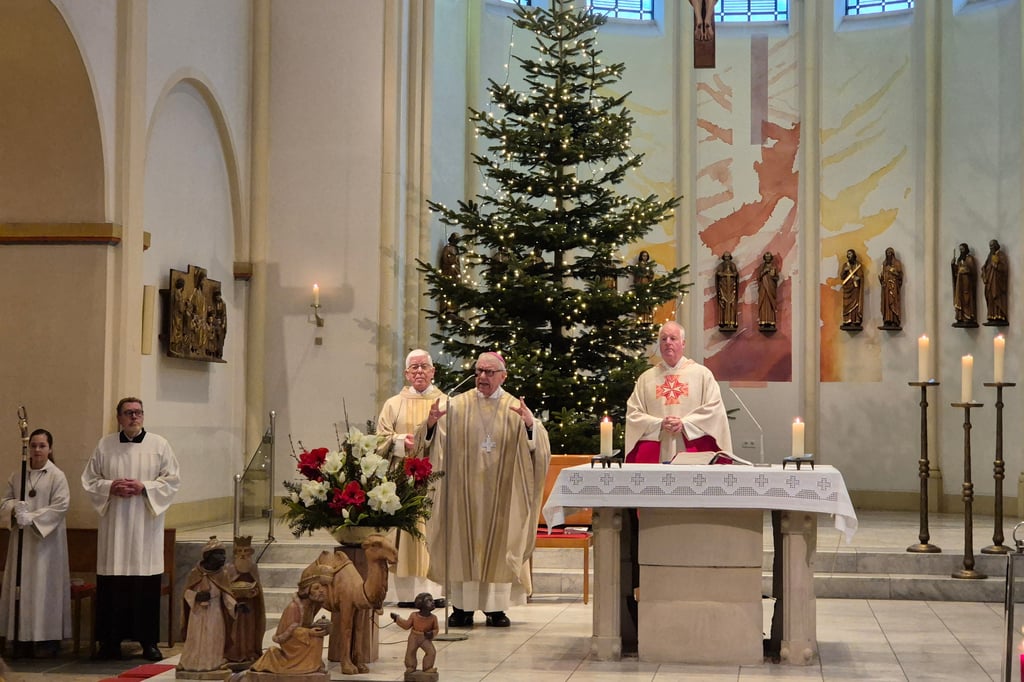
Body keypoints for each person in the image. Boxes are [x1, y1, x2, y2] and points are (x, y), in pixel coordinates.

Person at [416, 351, 551, 628]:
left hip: (501, 494)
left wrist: (528, 425)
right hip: (462, 492)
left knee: (499, 543)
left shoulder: (515, 408)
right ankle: (462, 608)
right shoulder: (456, 405)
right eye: (479, 371)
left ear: (503, 376)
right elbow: (432, 444)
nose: (483, 377)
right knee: (462, 542)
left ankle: (495, 608)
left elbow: (537, 448)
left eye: (490, 372)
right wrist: (430, 424)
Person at [82, 397, 180, 662]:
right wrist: (110, 487)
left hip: (144, 528)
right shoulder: (105, 445)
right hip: (114, 527)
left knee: (144, 584)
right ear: (119, 418)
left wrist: (144, 487)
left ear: (143, 416)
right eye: (128, 413)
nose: (134, 417)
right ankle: (110, 643)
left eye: (138, 412)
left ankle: (149, 642)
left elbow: (172, 481)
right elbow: (90, 480)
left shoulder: (159, 445)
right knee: (113, 585)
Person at [376, 349, 443, 607]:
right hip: (402, 478)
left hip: (435, 479)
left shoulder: (446, 403)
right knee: (405, 535)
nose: (418, 371)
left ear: (433, 371)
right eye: (413, 367)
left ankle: (435, 592)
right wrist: (403, 441)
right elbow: (381, 439)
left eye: (424, 366)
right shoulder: (394, 404)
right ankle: (404, 594)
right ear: (406, 373)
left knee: (433, 533)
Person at [0, 428, 71, 658]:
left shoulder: (56, 476)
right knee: (21, 588)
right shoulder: (19, 474)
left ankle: (46, 639)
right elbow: (5, 500)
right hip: (21, 542)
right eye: (33, 446)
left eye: (42, 446)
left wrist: (32, 517)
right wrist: (13, 509)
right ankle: (21, 637)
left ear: (50, 449)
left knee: (44, 589)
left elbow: (60, 506)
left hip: (46, 545)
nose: (37, 450)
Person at [625, 321, 733, 464]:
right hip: (657, 453)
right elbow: (633, 414)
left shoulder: (702, 374)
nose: (668, 342)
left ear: (683, 343)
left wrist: (685, 424)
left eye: (673, 338)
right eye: (663, 339)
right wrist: (659, 424)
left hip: (693, 451)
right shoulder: (646, 379)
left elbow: (714, 410)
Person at [248, 563, 332, 675]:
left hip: (299, 636)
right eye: (316, 588)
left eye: (322, 588)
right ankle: (307, 666)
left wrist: (318, 627)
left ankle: (313, 665)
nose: (321, 591)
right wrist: (309, 632)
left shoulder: (311, 605)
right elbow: (290, 630)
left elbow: (305, 625)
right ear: (307, 590)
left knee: (318, 636)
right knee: (315, 639)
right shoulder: (294, 607)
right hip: (290, 641)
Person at [177, 536, 239, 674]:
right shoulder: (195, 573)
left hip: (215, 613)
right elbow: (186, 593)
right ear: (209, 556)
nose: (223, 558)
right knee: (195, 639)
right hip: (197, 613)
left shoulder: (222, 574)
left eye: (224, 554)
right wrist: (197, 596)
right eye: (219, 554)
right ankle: (190, 662)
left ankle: (214, 662)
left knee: (214, 637)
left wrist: (235, 606)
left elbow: (226, 595)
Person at [223, 535, 265, 668]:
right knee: (235, 630)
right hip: (234, 607)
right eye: (239, 551)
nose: (243, 554)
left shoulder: (253, 567)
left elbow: (258, 586)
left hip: (250, 605)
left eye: (246, 551)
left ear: (250, 552)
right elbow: (225, 587)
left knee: (250, 629)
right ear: (235, 552)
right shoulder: (230, 568)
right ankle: (234, 653)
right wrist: (232, 593)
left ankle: (249, 651)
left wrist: (254, 592)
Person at [390, 592, 439, 674]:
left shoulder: (433, 618)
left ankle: (428, 668)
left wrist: (431, 633)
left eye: (432, 600)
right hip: (414, 637)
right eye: (429, 601)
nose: (433, 602)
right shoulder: (414, 615)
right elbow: (406, 625)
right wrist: (397, 618)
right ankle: (411, 666)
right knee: (410, 652)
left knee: (431, 652)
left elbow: (436, 629)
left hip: (425, 638)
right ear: (421, 604)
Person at [982, 239, 1008, 326]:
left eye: (992, 246)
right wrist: (984, 274)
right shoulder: (990, 255)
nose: (991, 248)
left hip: (997, 281)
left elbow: (1004, 268)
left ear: (997, 246)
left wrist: (996, 266)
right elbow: (985, 266)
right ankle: (991, 315)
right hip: (990, 281)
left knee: (996, 296)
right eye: (990, 247)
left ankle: (999, 315)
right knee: (990, 297)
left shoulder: (1001, 255)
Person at [952, 242, 978, 327]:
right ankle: (960, 316)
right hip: (960, 284)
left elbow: (973, 272)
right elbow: (957, 272)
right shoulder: (960, 260)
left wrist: (965, 270)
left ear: (966, 250)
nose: (961, 251)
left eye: (962, 249)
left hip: (967, 283)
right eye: (960, 250)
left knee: (967, 299)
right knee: (960, 299)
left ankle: (968, 316)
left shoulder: (970, 259)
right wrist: (953, 265)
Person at [878, 247, 903, 330]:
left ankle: (894, 320)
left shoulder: (897, 263)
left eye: (890, 253)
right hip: (885, 287)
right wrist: (881, 279)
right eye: (887, 253)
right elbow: (882, 275)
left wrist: (892, 270)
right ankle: (887, 320)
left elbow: (899, 275)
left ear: (893, 254)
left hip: (893, 287)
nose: (888, 255)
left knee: (893, 302)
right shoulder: (884, 264)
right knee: (886, 303)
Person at [839, 249, 864, 330]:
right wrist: (845, 271)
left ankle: (855, 320)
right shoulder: (845, 265)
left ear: (853, 255)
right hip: (847, 288)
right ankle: (847, 321)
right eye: (848, 254)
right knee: (846, 304)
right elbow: (842, 277)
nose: (849, 255)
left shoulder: (858, 265)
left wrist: (858, 278)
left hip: (855, 288)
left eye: (850, 254)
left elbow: (861, 276)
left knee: (855, 304)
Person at [714, 252, 738, 331]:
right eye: (725, 257)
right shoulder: (721, 266)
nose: (727, 258)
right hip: (723, 287)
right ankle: (724, 322)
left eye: (728, 257)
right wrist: (720, 274)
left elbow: (735, 273)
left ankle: (731, 322)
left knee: (731, 303)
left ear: (730, 257)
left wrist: (733, 275)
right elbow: (718, 274)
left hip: (731, 287)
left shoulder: (733, 265)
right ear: (723, 257)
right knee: (723, 303)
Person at [756, 252, 779, 330]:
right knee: (763, 303)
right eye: (766, 257)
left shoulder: (774, 267)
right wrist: (764, 272)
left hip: (771, 288)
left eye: (769, 257)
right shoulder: (761, 267)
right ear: (764, 258)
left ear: (771, 258)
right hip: (763, 288)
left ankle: (771, 322)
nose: (768, 259)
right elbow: (758, 277)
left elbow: (777, 278)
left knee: (770, 304)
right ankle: (763, 321)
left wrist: (773, 277)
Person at [633, 250, 655, 323]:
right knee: (641, 301)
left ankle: (648, 318)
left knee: (648, 302)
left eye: (646, 256)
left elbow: (652, 274)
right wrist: (643, 276)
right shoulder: (638, 265)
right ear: (641, 256)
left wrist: (649, 276)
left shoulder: (649, 265)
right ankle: (640, 319)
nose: (645, 257)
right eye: (643, 255)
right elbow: (636, 274)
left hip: (647, 284)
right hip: (641, 283)